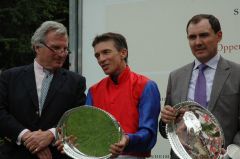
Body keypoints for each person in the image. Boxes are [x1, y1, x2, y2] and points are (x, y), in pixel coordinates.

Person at [0, 21, 86, 159]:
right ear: (37, 47)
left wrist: (51, 134)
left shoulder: (76, 82)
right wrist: (26, 136)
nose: (62, 54)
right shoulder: (10, 77)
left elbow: (78, 118)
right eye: (56, 48)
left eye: (65, 49)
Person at [159, 14, 240, 159]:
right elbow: (166, 131)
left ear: (219, 36)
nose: (198, 42)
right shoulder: (176, 77)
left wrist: (231, 153)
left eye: (204, 35)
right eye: (192, 37)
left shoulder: (237, 74)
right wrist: (165, 119)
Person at [85, 32, 161, 158]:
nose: (101, 59)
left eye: (106, 52)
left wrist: (128, 139)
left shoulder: (146, 85)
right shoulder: (93, 90)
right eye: (97, 55)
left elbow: (149, 134)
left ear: (123, 53)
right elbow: (87, 132)